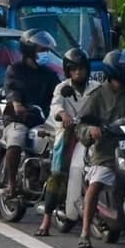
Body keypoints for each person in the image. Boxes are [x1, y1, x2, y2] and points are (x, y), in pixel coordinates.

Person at [75, 49, 125, 247]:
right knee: (97, 182)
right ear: (115, 70)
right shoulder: (98, 95)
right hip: (108, 152)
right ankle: (85, 232)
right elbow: (81, 124)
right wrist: (91, 130)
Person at [37, 47, 93, 237]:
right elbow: (56, 106)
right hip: (68, 132)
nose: (78, 72)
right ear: (68, 71)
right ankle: (46, 219)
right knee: (58, 170)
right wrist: (63, 114)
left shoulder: (96, 88)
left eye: (81, 68)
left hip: (89, 132)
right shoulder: (62, 88)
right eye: (74, 69)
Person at [0, 30, 58, 194]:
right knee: (16, 139)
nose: (45, 54)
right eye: (41, 50)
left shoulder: (49, 74)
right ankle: (11, 184)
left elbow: (58, 91)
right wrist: (17, 103)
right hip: (18, 118)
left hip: (42, 120)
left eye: (46, 50)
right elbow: (12, 87)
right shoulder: (15, 70)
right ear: (30, 51)